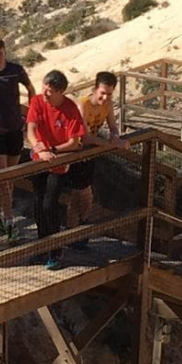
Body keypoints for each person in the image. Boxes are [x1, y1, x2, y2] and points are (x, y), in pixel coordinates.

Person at [26, 70, 86, 271]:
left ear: (61, 91)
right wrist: (39, 148)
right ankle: (42, 245)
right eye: (44, 87)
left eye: (50, 91)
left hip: (58, 163)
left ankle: (55, 248)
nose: (45, 93)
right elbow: (31, 129)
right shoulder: (37, 101)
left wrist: (52, 150)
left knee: (49, 205)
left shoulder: (70, 109)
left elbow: (74, 142)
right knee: (38, 203)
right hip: (39, 160)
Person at [0, 37, 35, 240]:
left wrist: (31, 115)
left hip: (15, 130)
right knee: (3, 178)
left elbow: (30, 89)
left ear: (5, 52)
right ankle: (10, 222)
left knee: (10, 178)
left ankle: (3, 217)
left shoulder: (16, 70)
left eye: (0, 54)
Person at [66, 71, 129, 244]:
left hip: (90, 153)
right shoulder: (83, 105)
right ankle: (78, 230)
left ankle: (74, 232)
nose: (105, 98)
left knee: (79, 195)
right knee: (84, 194)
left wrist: (115, 136)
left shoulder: (107, 105)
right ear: (95, 90)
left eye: (109, 94)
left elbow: (113, 126)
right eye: (102, 93)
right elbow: (84, 137)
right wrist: (111, 145)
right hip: (76, 152)